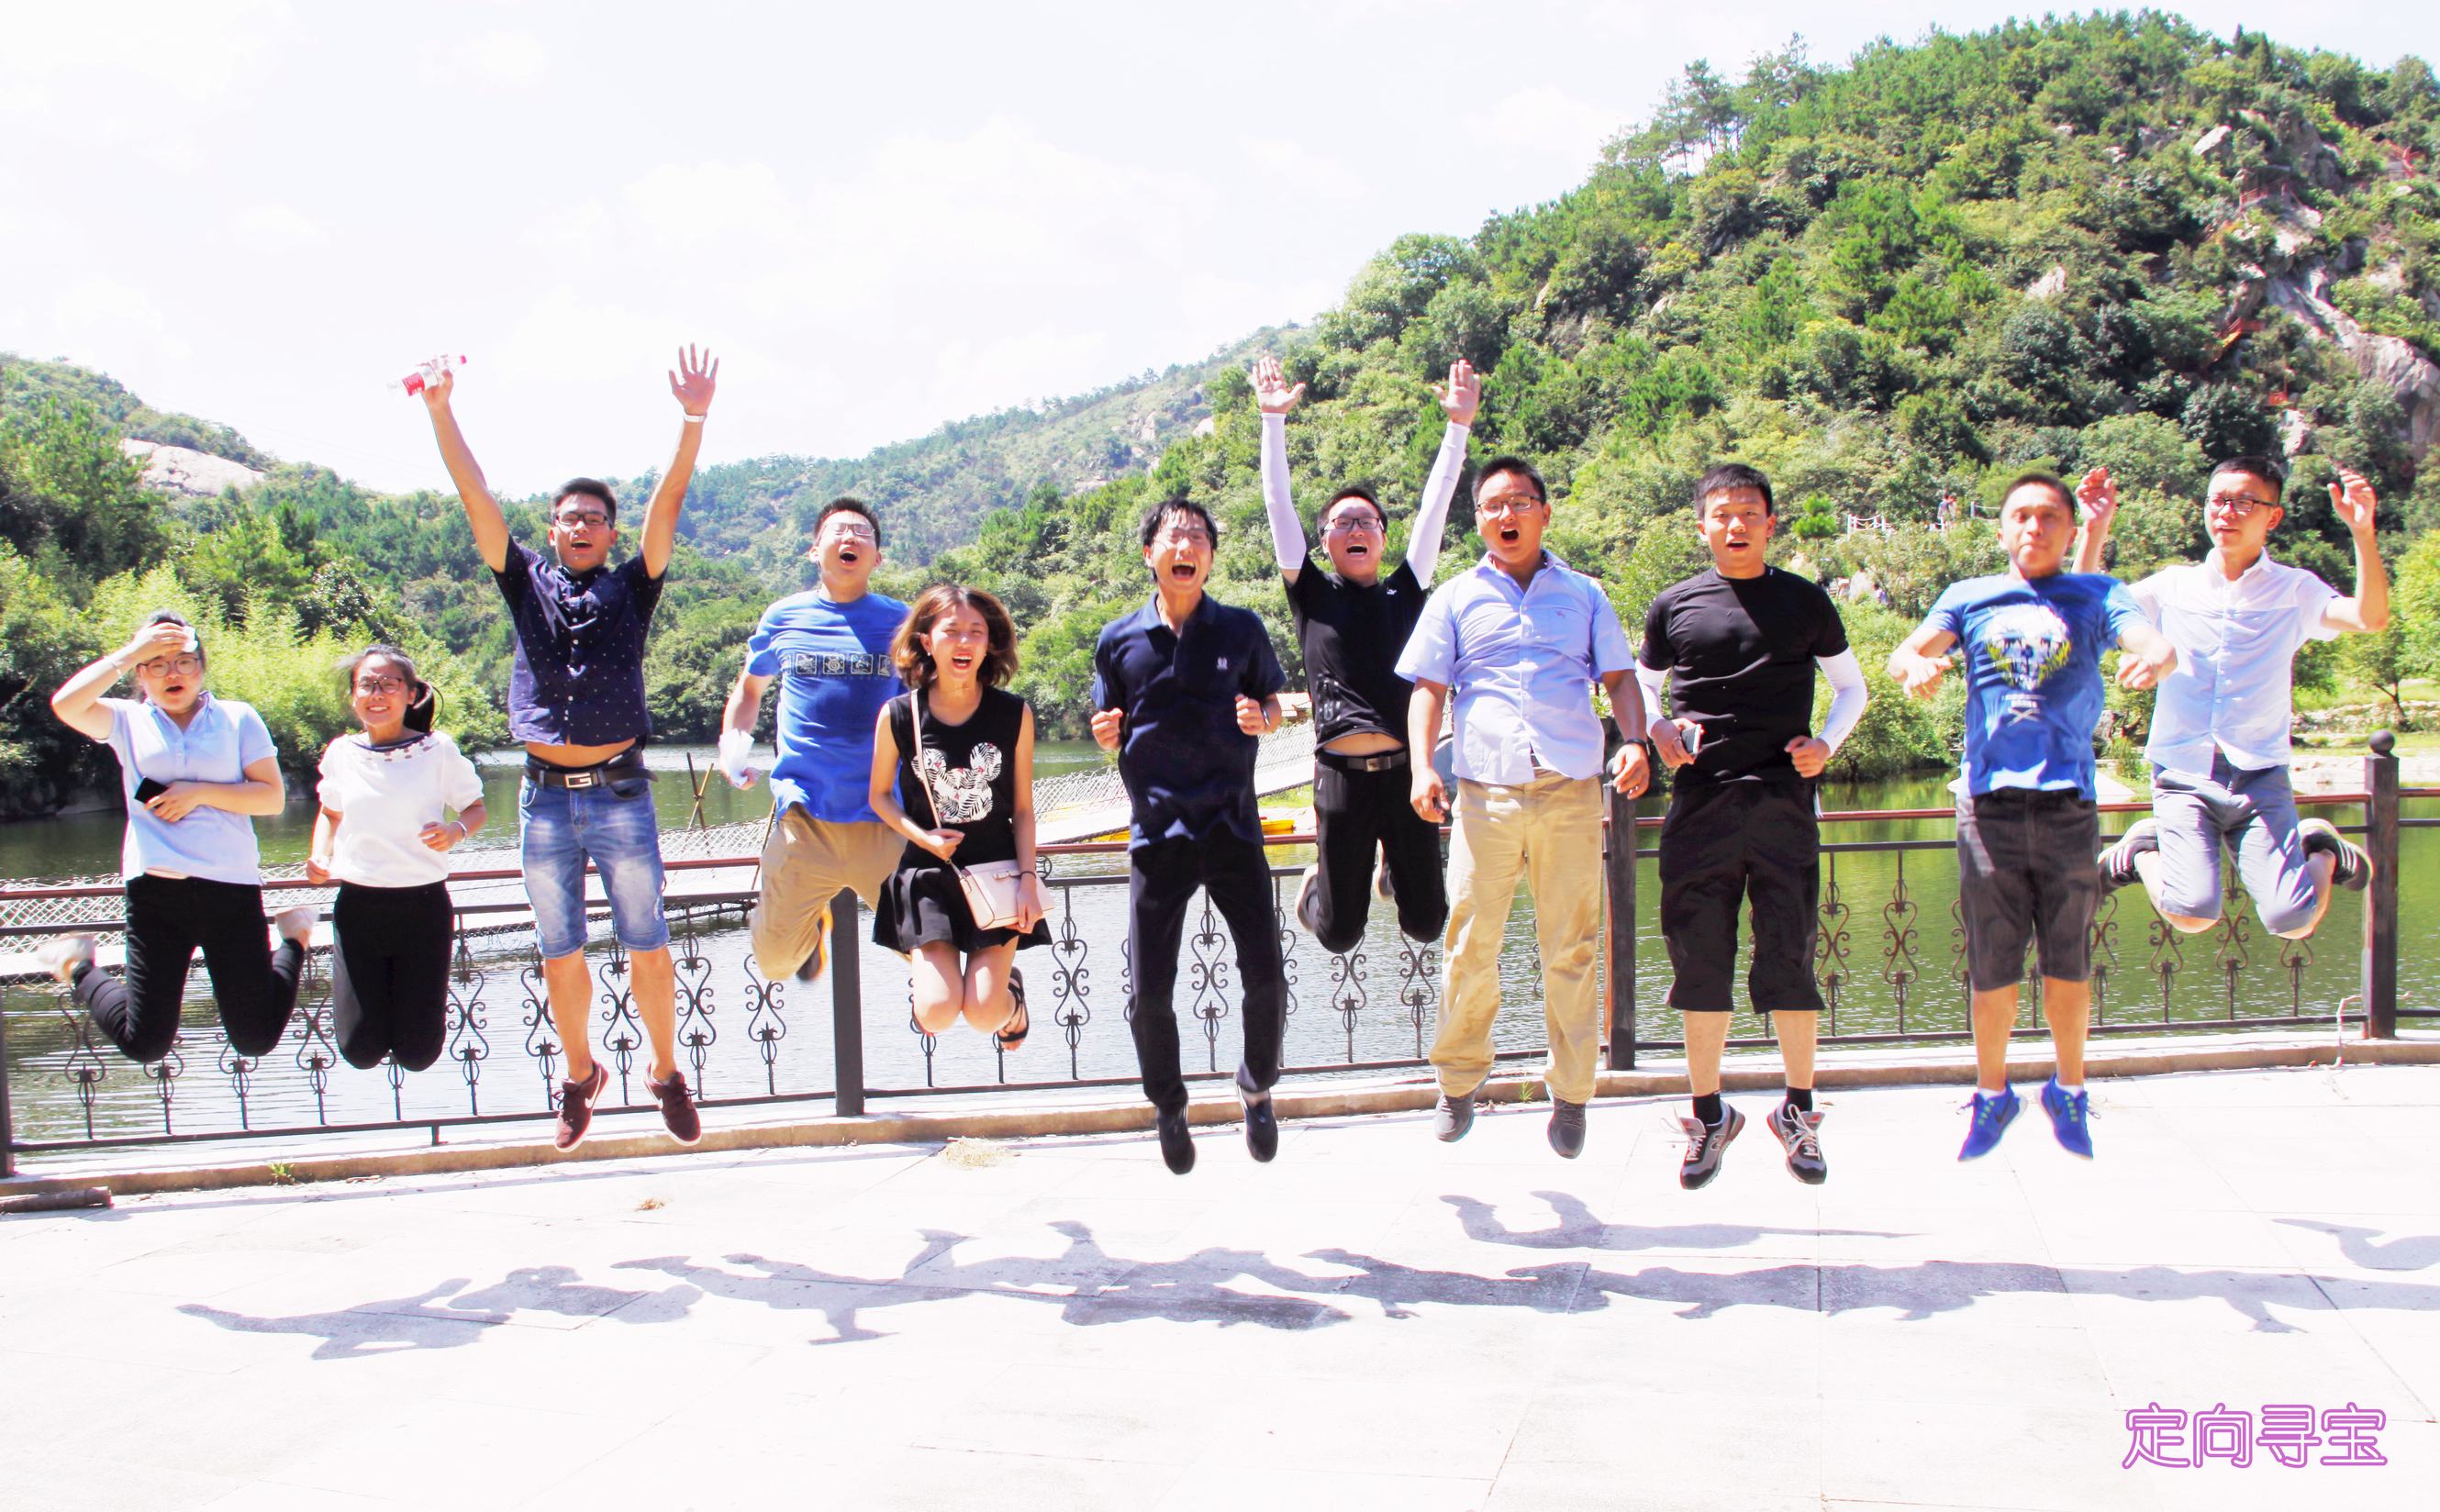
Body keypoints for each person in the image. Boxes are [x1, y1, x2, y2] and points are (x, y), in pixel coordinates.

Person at [418, 346, 718, 1150]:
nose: (581, 526)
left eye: (594, 518)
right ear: (551, 530)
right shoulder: (525, 582)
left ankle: (666, 1073)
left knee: (648, 943)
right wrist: (441, 409)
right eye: (568, 517)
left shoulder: (633, 586)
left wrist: (693, 418)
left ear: (611, 533)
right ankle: (580, 1074)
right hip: (544, 798)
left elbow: (670, 497)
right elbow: (475, 496)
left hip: (621, 792)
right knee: (560, 952)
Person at [1888, 472, 2177, 1162]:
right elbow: (1906, 652)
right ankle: (1993, 1095)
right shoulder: (1968, 596)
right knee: (1992, 961)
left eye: (2049, 517)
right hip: (1987, 807)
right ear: (2000, 530)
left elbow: (2150, 641)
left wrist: (2158, 657)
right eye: (2020, 515)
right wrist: (1914, 668)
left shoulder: (2097, 594)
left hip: (2067, 805)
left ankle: (2068, 1089)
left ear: (2071, 530)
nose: (2033, 527)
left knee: (2067, 959)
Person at [1398, 456, 1650, 1160]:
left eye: (1518, 502)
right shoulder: (1454, 597)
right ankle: (1457, 1081)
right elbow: (1427, 690)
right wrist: (1421, 767)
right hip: (1484, 792)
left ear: (1543, 511)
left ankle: (1570, 1093)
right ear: (1478, 520)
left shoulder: (1584, 594)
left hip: (1569, 788)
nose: (1505, 515)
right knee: (1469, 941)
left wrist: (1634, 741)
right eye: (1491, 505)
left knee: (1571, 945)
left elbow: (1619, 679)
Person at [1637, 464, 1866, 1188]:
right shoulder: (1674, 605)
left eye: (1747, 512)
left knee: (1789, 957)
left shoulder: (1804, 601)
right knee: (1698, 961)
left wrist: (1825, 744)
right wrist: (1655, 729)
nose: (1734, 524)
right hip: (1699, 804)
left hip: (1781, 804)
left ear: (1769, 523)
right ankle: (1708, 1117)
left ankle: (1797, 1111)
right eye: (1721, 513)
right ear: (1700, 525)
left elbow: (1851, 687)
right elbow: (1640, 686)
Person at [2078, 458, 2386, 938]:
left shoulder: (2295, 589)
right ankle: (2141, 853)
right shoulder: (2173, 586)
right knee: (2192, 914)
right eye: (2218, 500)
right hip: (2182, 772)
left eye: (2244, 502)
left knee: (2293, 922)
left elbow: (2369, 618)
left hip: (2260, 774)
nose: (2226, 512)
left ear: (2273, 516)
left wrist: (2363, 533)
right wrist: (2094, 528)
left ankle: (2321, 849)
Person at [1090, 496, 1289, 1173]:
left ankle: (1257, 1087)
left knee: (1266, 976)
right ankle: (1168, 1104)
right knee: (1149, 991)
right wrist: (1103, 732)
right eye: (1174, 536)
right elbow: (1107, 717)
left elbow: (1272, 701)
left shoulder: (1240, 628)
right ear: (1150, 553)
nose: (1187, 545)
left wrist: (1264, 717)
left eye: (1199, 536)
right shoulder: (1118, 640)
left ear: (1209, 557)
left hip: (1233, 825)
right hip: (1156, 834)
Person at [1254, 352, 1472, 955]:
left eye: (1366, 521)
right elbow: (1276, 503)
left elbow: (1435, 506)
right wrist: (1272, 420)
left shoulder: (1407, 589)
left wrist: (1457, 428)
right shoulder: (1312, 595)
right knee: (1339, 934)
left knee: (1426, 923)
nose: (1355, 529)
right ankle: (1317, 886)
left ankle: (1393, 873)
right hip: (1340, 779)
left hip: (1405, 775)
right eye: (1341, 522)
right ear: (1323, 540)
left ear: (1382, 536)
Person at [39, 611, 314, 1064]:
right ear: (140, 674)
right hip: (157, 894)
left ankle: (295, 939)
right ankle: (77, 965)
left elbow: (271, 799)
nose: (173, 674)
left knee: (255, 1039)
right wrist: (130, 652)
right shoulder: (127, 720)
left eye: (184, 662)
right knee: (145, 1043)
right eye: (157, 664)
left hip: (231, 889)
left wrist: (197, 793)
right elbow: (66, 705)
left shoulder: (237, 718)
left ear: (201, 667)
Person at [719, 498, 908, 991]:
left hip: (883, 815)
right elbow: (750, 690)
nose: (849, 538)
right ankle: (812, 926)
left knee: (932, 952)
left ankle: (1002, 991)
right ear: (814, 550)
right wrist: (733, 748)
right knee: (774, 963)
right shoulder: (784, 616)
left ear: (877, 558)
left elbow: (933, 700)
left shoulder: (902, 622)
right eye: (838, 530)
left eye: (862, 533)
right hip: (804, 817)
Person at [867, 585, 1049, 1045]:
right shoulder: (899, 716)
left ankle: (1010, 997)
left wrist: (1029, 880)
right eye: (951, 631)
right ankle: (943, 989)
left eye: (976, 632)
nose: (964, 642)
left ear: (989, 644)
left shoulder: (1013, 714)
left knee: (985, 1014)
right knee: (936, 1012)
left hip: (998, 874)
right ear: (927, 641)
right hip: (928, 876)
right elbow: (879, 797)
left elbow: (1023, 809)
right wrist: (923, 838)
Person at [303, 647, 486, 1073]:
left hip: (423, 906)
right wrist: (319, 855)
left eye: (388, 684)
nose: (377, 694)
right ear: (353, 696)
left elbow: (475, 809)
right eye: (367, 684)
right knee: (359, 1048)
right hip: (359, 906)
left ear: (411, 694)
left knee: (418, 1053)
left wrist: (454, 832)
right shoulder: (341, 752)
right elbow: (330, 814)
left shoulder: (437, 750)